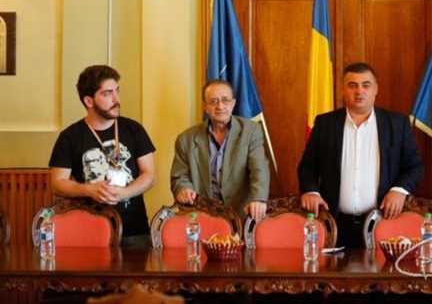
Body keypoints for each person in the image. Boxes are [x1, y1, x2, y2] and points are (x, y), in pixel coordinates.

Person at [298, 62, 425, 248]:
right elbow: (307, 167)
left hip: (382, 222)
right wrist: (311, 191)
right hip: (334, 225)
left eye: (366, 85)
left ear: (375, 89)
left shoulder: (397, 124)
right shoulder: (325, 123)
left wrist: (399, 190)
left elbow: (415, 167)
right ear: (343, 90)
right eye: (352, 85)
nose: (359, 91)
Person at [49, 65, 156, 247]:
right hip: (88, 232)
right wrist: (89, 190)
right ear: (89, 101)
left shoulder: (134, 129)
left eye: (117, 91)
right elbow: (58, 182)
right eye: (107, 94)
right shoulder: (70, 137)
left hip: (134, 232)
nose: (116, 99)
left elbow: (150, 175)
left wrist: (124, 193)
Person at [170, 80, 270, 221]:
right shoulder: (186, 139)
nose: (220, 106)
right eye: (213, 101)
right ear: (205, 106)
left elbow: (259, 169)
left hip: (241, 215)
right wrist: (183, 189)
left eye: (225, 100)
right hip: (202, 216)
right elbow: (179, 176)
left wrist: (258, 198)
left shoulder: (251, 131)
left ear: (233, 103)